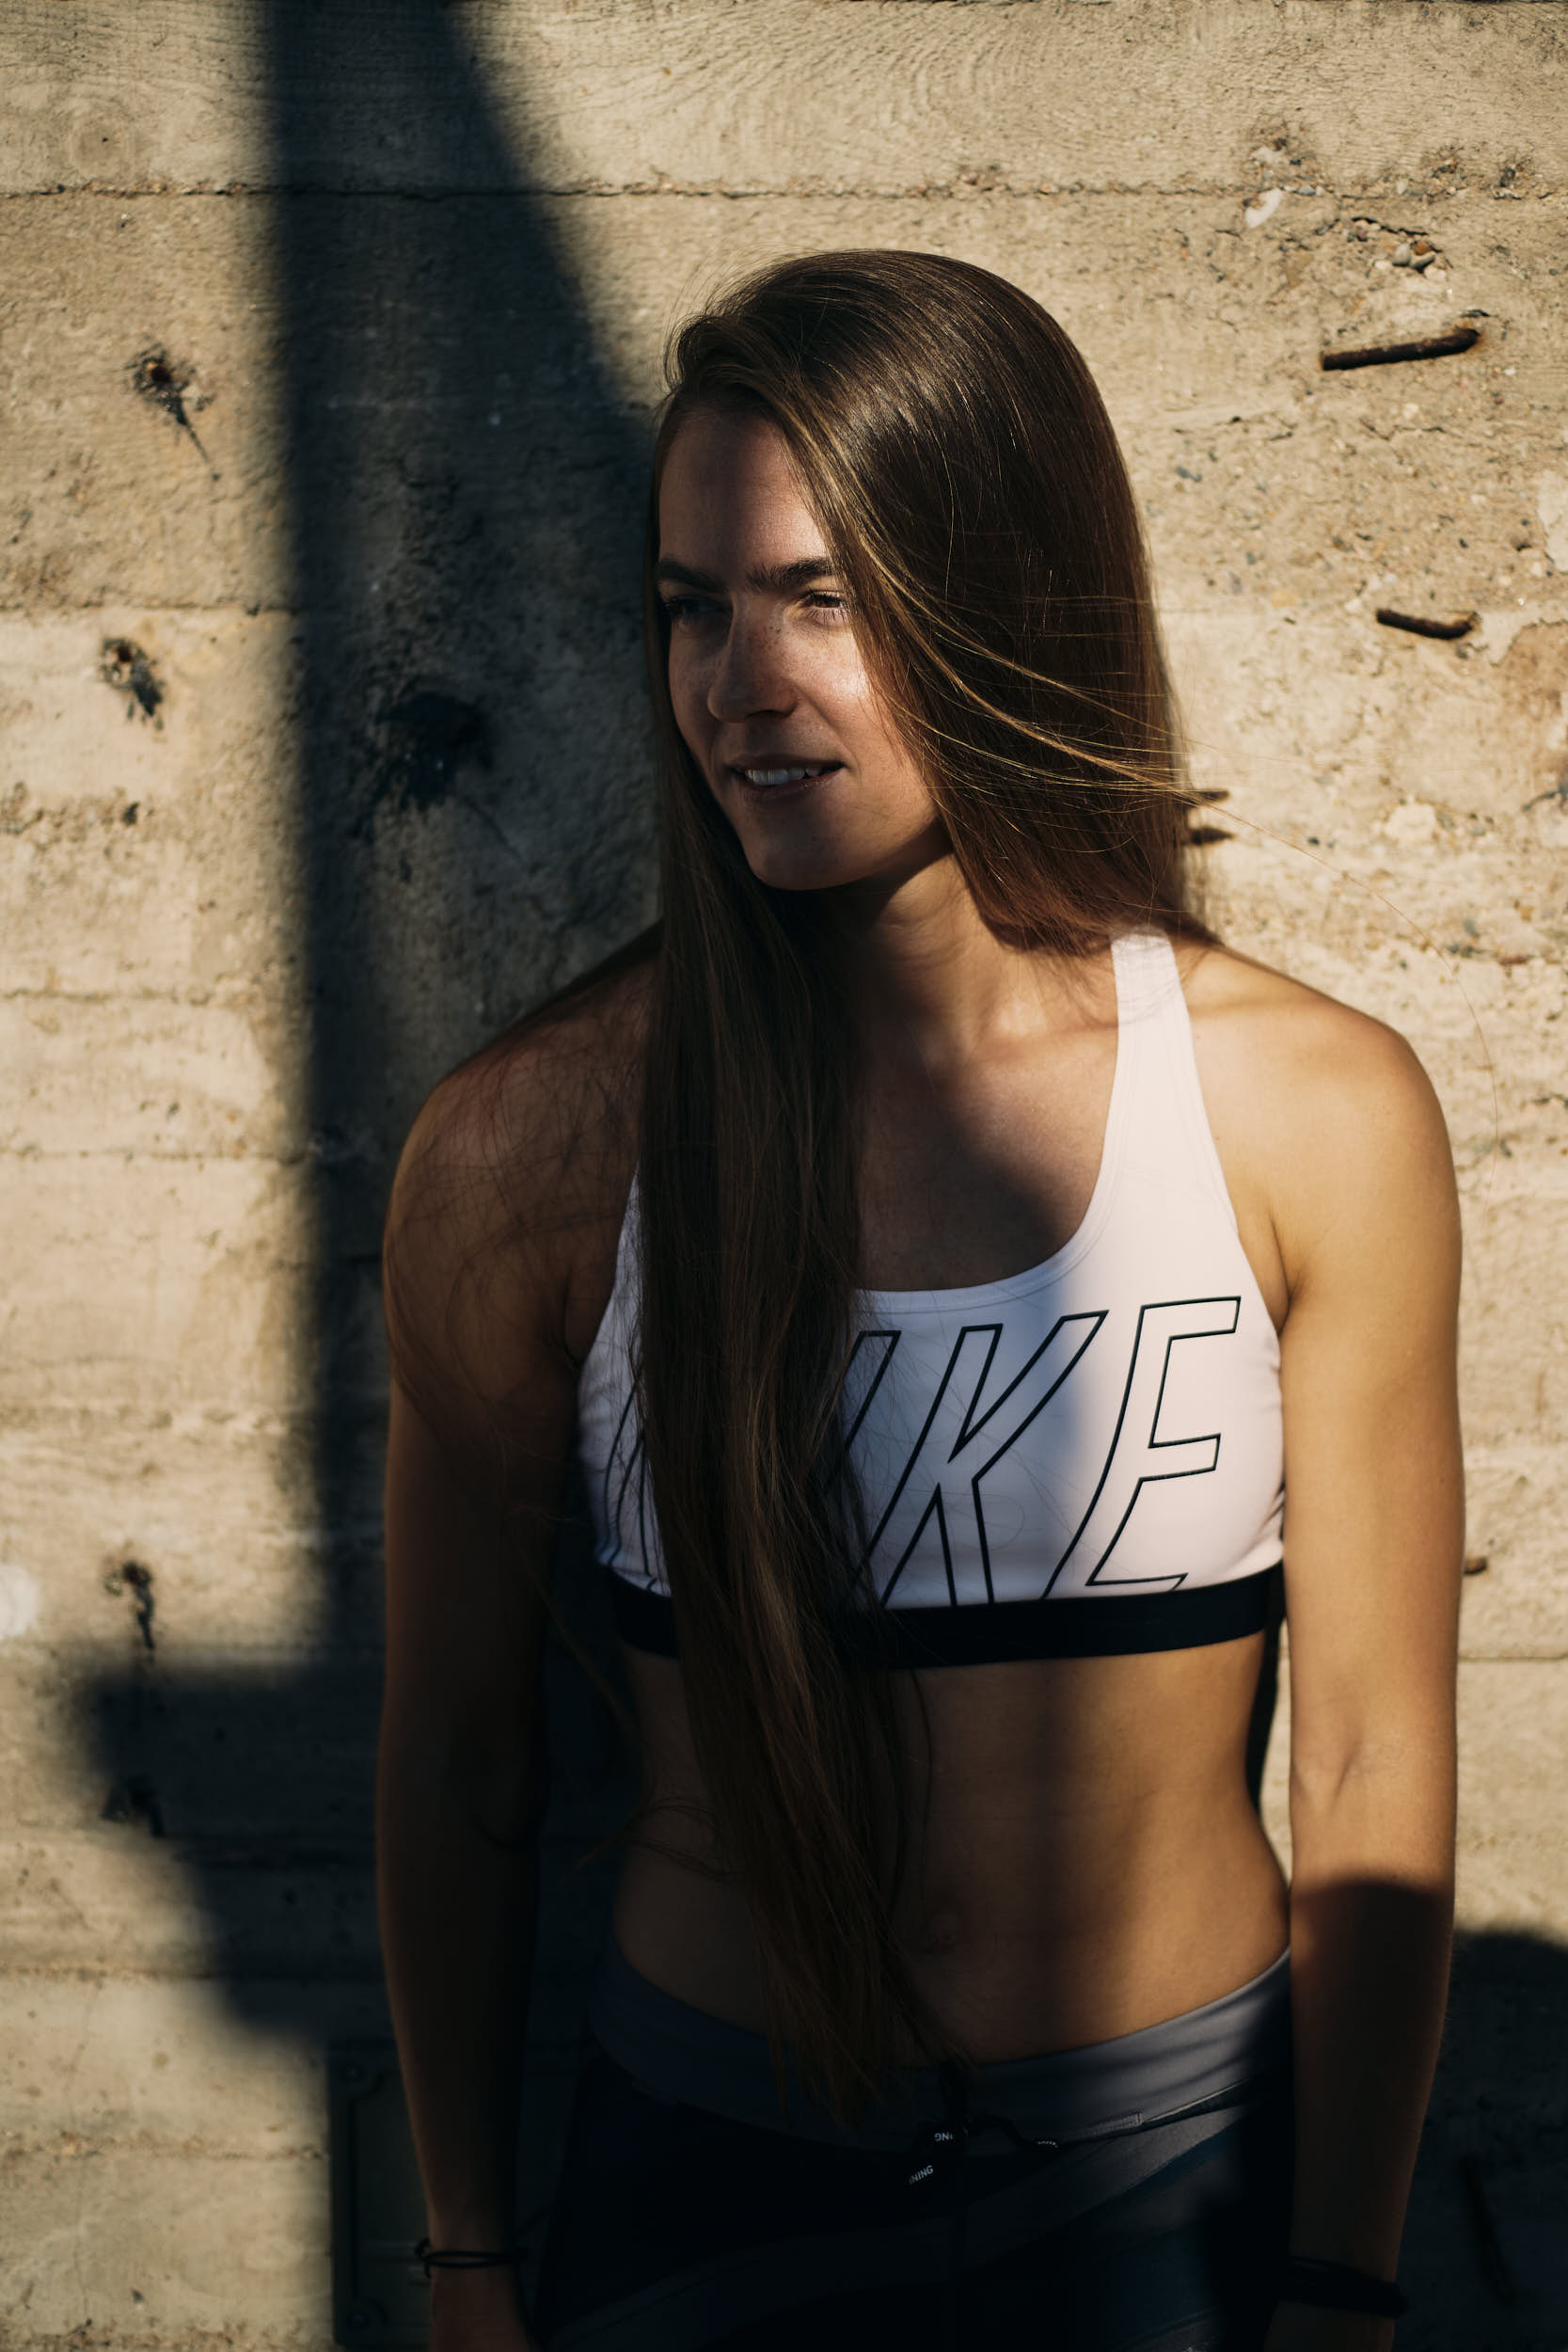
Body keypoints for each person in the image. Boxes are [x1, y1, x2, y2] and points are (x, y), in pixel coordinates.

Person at [376, 251, 1463, 2352]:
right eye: (692, 605)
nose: (739, 683)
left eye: (823, 598)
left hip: (1180, 2187)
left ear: (1001, 596)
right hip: (705, 2177)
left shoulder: (1308, 1108)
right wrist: (464, 2251)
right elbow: (458, 1764)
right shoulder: (529, 1153)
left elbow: (1370, 1756)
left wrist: (1341, 2268)